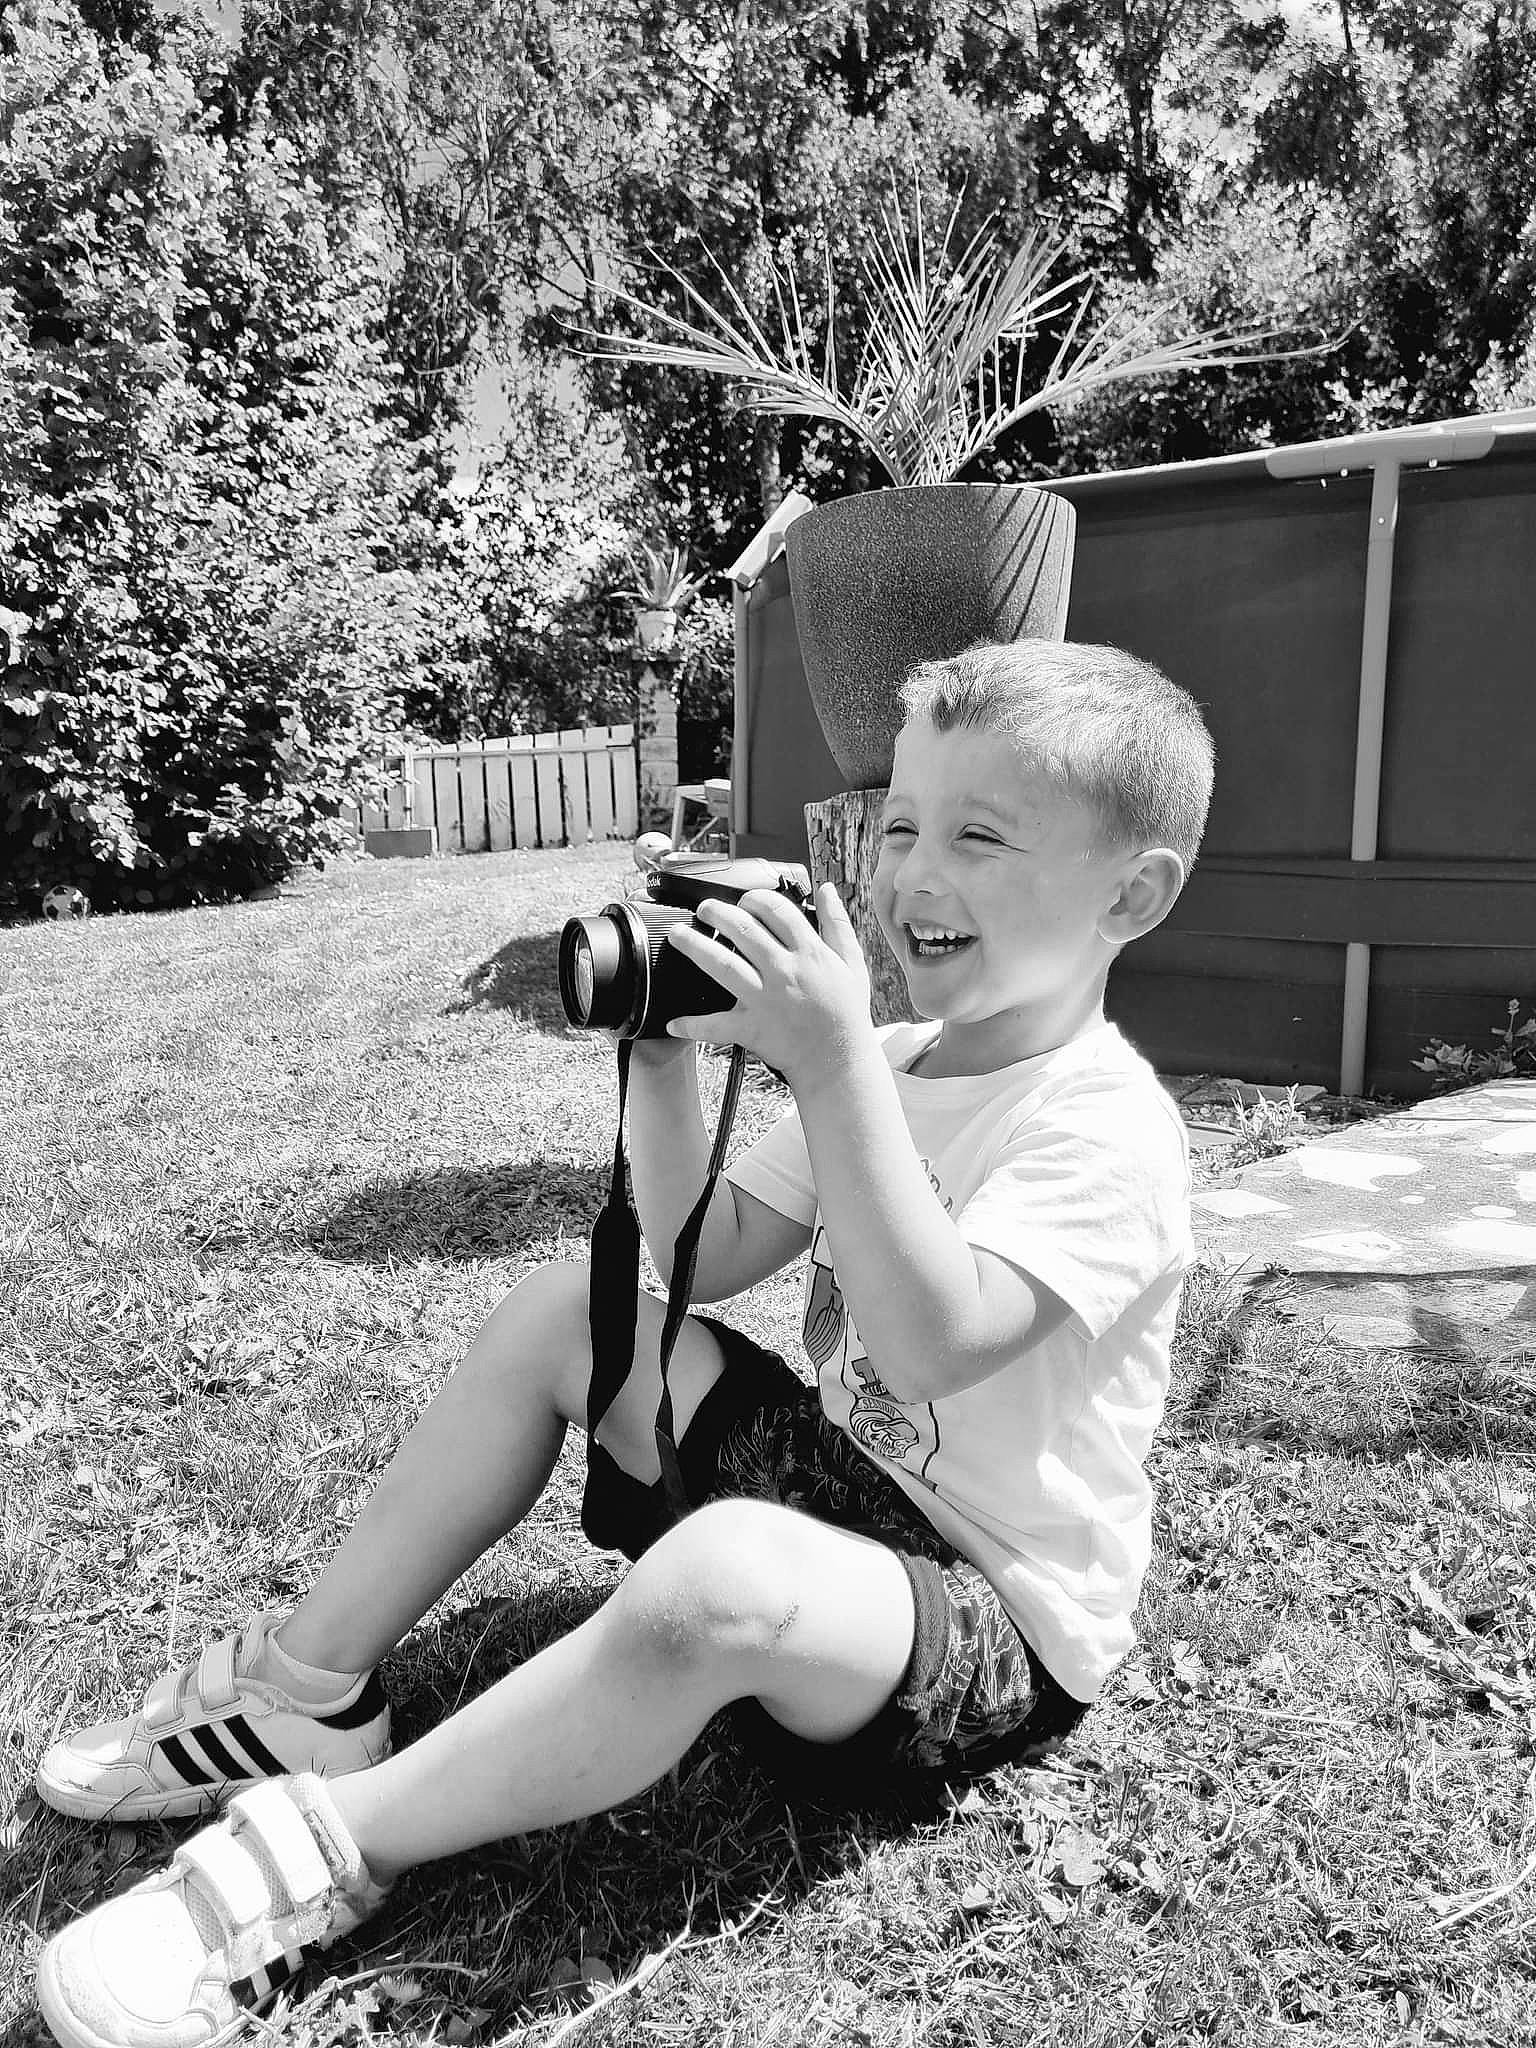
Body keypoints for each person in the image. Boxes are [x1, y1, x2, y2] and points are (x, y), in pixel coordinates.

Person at [34, 638, 1212, 2048]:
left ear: (1130, 895)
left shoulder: (1102, 1124)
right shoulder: (894, 1066)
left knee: (724, 1575)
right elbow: (704, 1256)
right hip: (850, 1503)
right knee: (565, 1314)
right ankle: (308, 1691)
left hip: (991, 1623)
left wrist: (832, 1062)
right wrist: (669, 1051)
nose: (913, 876)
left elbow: (929, 1344)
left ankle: (336, 1843)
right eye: (900, 824)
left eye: (979, 834)